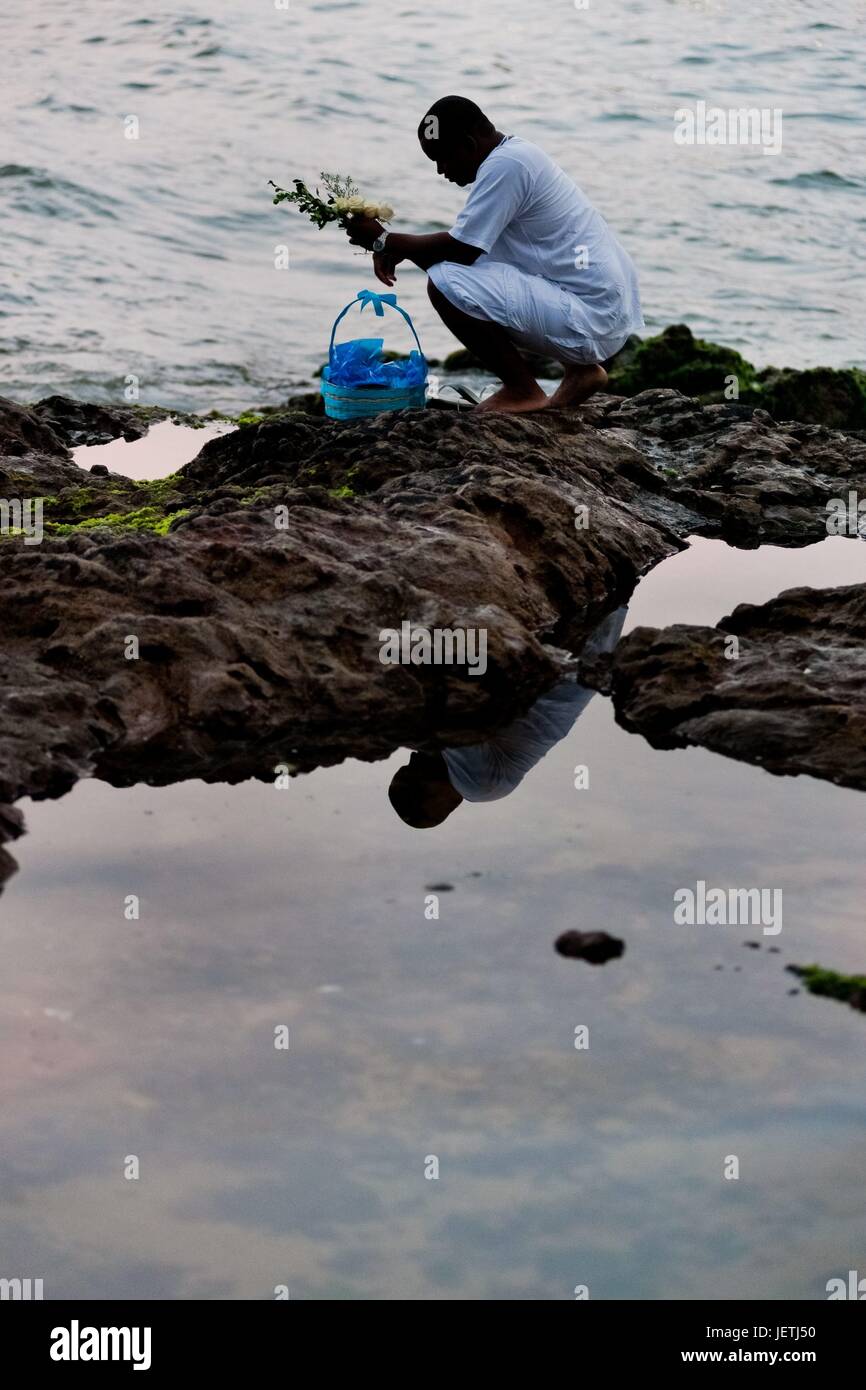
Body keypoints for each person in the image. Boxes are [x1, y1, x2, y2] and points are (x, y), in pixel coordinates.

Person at [345, 95, 644, 415]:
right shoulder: (514, 156)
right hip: (601, 308)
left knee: (443, 282)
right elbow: (462, 252)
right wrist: (389, 244)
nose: (440, 170)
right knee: (454, 272)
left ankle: (522, 389)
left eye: (443, 158)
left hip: (593, 315)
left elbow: (460, 250)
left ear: (470, 144)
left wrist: (384, 240)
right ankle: (581, 371)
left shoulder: (505, 167)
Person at [388, 607, 627, 827]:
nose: (413, 758)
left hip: (564, 665)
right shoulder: (477, 785)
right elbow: (454, 720)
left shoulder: (471, 781)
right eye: (413, 770)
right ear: (445, 800)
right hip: (569, 664)